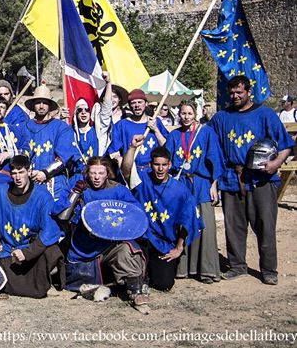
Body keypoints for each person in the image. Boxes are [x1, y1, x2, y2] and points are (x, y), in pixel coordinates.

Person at [207, 75, 294, 285]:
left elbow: (285, 145)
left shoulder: (265, 114)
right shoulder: (221, 117)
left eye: (240, 92)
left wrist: (275, 164)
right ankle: (237, 265)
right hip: (231, 177)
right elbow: (207, 140)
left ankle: (269, 269)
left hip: (261, 178)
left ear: (248, 92)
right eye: (232, 93)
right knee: (234, 226)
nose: (236, 96)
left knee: (264, 224)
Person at [61, 157, 149, 313]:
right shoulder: (81, 189)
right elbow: (60, 213)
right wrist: (74, 194)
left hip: (110, 244)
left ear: (107, 173)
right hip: (85, 247)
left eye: (100, 173)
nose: (96, 177)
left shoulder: (119, 190)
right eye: (92, 173)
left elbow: (136, 213)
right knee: (82, 282)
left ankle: (135, 290)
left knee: (127, 249)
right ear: (87, 173)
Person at [121, 137, 197, 292]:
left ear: (170, 165)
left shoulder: (180, 190)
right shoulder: (143, 180)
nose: (160, 169)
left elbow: (189, 220)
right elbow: (126, 171)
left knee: (164, 284)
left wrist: (178, 248)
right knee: (130, 278)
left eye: (164, 165)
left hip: (163, 242)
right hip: (141, 238)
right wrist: (132, 148)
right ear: (150, 165)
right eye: (156, 165)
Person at [164, 100, 225, 283]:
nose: (186, 117)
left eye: (189, 113)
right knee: (183, 224)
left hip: (201, 183)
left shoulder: (206, 132)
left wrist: (214, 185)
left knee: (204, 225)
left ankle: (206, 270)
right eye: (183, 113)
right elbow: (167, 160)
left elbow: (215, 158)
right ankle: (183, 268)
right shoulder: (174, 135)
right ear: (179, 115)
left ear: (196, 114)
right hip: (181, 183)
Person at [0, 154, 63, 298]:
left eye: (21, 172)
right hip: (8, 250)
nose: (17, 177)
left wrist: (28, 252)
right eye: (14, 173)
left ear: (29, 172)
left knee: (52, 252)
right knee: (0, 268)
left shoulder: (42, 196)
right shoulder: (0, 192)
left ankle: (37, 282)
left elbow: (50, 230)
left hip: (30, 249)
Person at [22, 85, 78, 209]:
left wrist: (45, 173)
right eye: (38, 102)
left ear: (49, 105)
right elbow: (20, 153)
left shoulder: (61, 127)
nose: (41, 106)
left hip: (54, 182)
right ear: (33, 105)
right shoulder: (24, 127)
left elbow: (65, 156)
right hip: (29, 180)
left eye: (44, 103)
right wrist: (28, 172)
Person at [109, 88, 168, 176]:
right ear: (129, 105)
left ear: (146, 104)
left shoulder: (156, 122)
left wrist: (156, 129)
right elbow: (113, 151)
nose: (137, 105)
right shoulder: (121, 125)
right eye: (133, 103)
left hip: (153, 172)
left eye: (140, 102)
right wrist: (120, 162)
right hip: (132, 171)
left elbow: (166, 147)